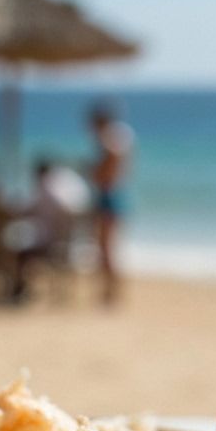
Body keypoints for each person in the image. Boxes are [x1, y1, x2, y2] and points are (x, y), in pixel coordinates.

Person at [88, 102, 134, 304]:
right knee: (107, 248)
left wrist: (96, 171)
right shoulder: (120, 137)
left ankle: (111, 292)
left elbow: (107, 171)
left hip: (109, 195)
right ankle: (110, 291)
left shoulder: (110, 140)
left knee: (105, 248)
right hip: (115, 194)